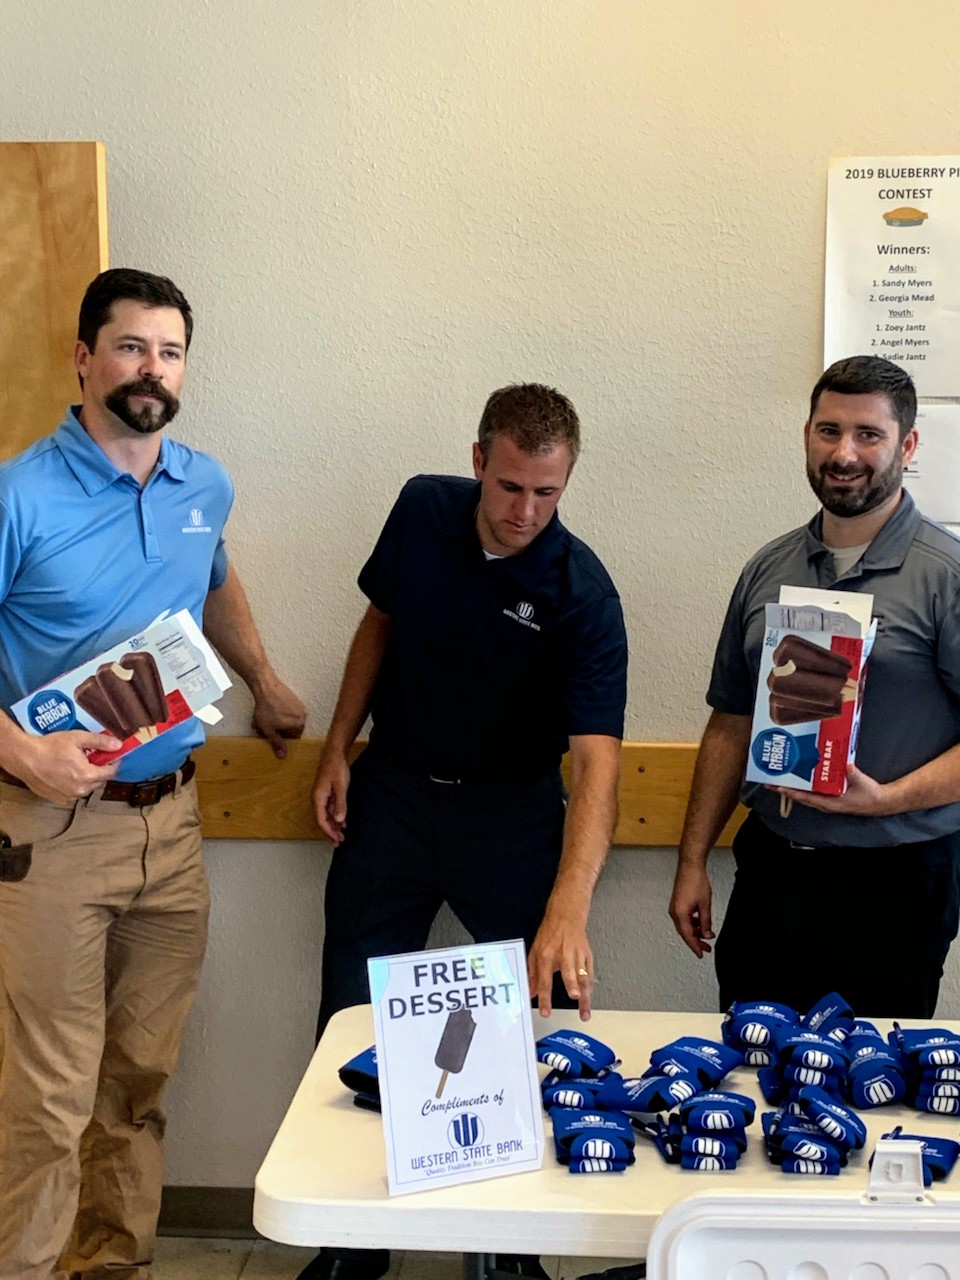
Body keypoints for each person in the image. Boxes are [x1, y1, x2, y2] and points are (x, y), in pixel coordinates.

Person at [0, 268, 306, 1280]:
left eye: (169, 351)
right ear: (84, 357)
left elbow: (216, 579)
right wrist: (21, 748)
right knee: (45, 1100)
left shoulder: (202, 483)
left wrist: (261, 677)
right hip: (49, 831)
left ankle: (114, 1265)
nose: (151, 369)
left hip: (170, 829)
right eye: (131, 346)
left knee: (137, 1080)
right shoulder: (17, 493)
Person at [302, 383, 627, 1280]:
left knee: (528, 1032)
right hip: (396, 799)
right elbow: (379, 624)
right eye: (512, 486)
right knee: (347, 1022)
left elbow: (598, 764)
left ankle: (510, 1252)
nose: (526, 511)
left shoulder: (581, 591)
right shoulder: (422, 507)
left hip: (512, 817)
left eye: (547, 493)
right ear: (479, 462)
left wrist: (569, 910)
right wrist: (338, 751)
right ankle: (351, 1249)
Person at [669, 354, 960, 1019]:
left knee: (868, 1097)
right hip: (775, 873)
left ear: (907, 446)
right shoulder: (767, 570)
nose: (845, 453)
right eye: (828, 431)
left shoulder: (946, 576)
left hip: (898, 884)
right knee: (753, 1071)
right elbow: (729, 721)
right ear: (806, 435)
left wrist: (882, 799)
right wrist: (691, 862)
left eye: (868, 435)